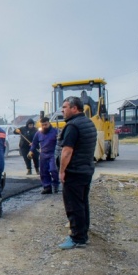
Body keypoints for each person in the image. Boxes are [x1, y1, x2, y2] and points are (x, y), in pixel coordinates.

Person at [57, 96, 97, 249]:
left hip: (74, 172)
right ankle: (83, 231)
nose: (62, 110)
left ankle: (77, 238)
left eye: (65, 107)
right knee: (82, 202)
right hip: (86, 170)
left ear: (75, 108)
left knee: (74, 205)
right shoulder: (88, 123)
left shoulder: (73, 126)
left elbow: (67, 151)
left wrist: (62, 171)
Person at [29, 117, 59, 194]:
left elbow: (60, 142)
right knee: (43, 172)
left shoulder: (55, 132)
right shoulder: (38, 133)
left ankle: (55, 184)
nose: (44, 126)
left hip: (52, 154)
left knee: (53, 170)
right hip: (43, 154)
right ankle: (47, 187)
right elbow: (34, 143)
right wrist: (31, 151)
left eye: (45, 124)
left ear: (49, 123)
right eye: (42, 125)